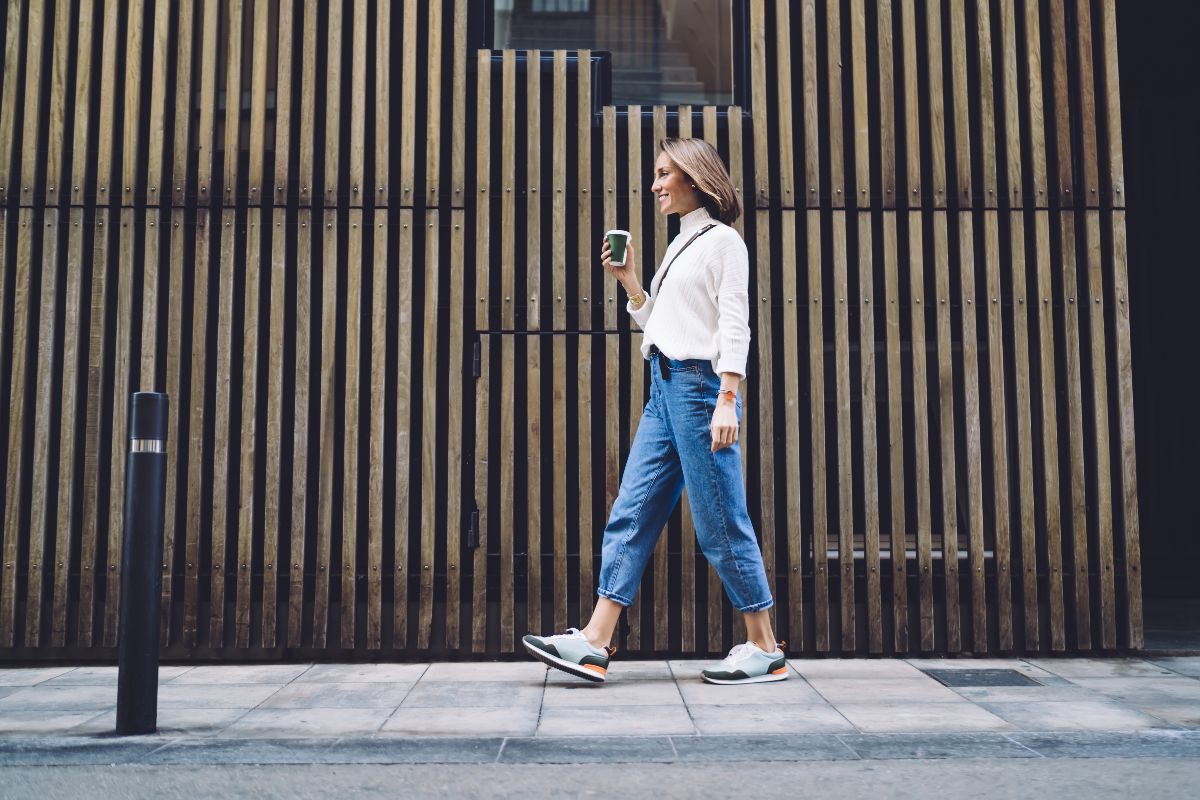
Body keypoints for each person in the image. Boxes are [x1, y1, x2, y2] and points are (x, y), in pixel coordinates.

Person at [523, 137, 786, 686]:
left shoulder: (723, 243)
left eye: (666, 173)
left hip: (699, 390)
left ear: (696, 178)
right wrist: (630, 283)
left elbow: (734, 326)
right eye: (657, 174)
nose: (656, 184)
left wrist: (728, 397)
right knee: (633, 511)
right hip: (664, 390)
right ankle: (595, 642)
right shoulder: (681, 244)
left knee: (719, 521)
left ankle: (764, 646)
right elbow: (664, 329)